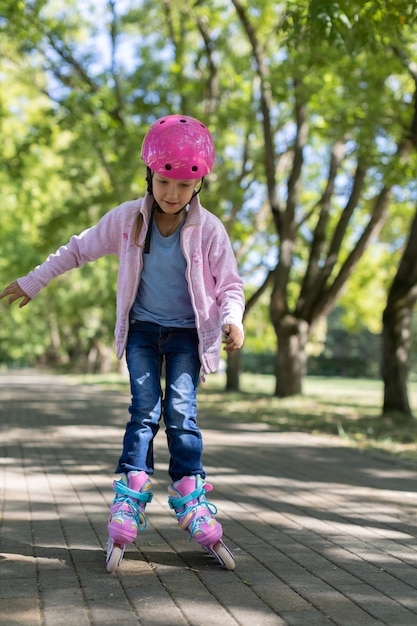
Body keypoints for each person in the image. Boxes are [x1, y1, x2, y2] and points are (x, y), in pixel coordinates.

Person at [0, 114, 245, 571]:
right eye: (164, 182)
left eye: (183, 187)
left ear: (199, 187)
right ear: (150, 175)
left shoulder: (209, 230)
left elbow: (230, 284)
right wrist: (35, 280)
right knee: (144, 409)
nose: (172, 194)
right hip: (143, 333)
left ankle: (190, 493)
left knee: (181, 413)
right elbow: (78, 248)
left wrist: (234, 320)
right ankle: (132, 490)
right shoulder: (127, 220)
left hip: (189, 335)